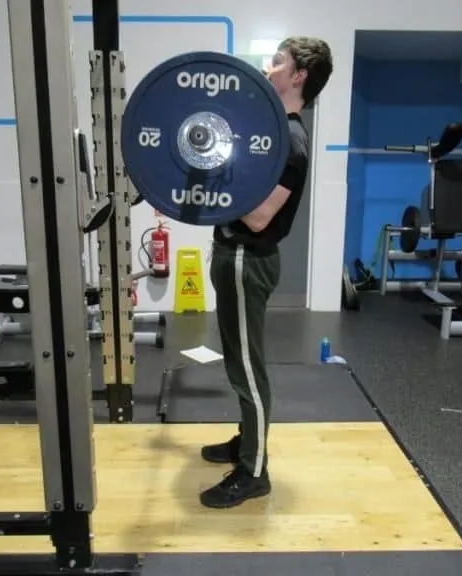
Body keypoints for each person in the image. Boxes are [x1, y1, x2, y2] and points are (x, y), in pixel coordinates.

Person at [199, 37, 333, 508]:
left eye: (278, 62)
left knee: (246, 370)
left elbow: (258, 217)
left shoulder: (292, 142)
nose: (268, 67)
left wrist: (211, 179)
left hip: (245, 259)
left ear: (299, 76)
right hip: (233, 254)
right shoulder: (274, 132)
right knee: (239, 360)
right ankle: (246, 442)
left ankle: (254, 472)